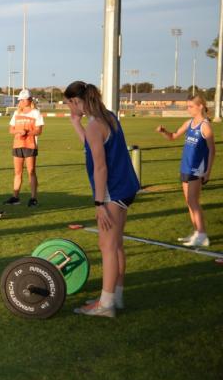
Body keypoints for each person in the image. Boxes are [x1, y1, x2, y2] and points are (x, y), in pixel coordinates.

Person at [64, 81, 140, 318]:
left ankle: (105, 305)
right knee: (115, 244)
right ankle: (115, 296)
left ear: (77, 102)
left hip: (113, 190)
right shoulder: (107, 116)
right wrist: (76, 123)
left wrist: (99, 204)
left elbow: (100, 167)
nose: (69, 108)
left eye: (69, 104)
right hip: (125, 187)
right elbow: (91, 146)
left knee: (107, 246)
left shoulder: (96, 124)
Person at [156, 96, 215, 247]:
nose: (188, 109)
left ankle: (202, 234)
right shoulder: (189, 123)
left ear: (200, 106)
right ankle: (197, 232)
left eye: (190, 106)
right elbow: (173, 136)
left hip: (196, 169)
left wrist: (207, 171)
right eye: (187, 106)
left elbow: (211, 150)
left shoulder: (205, 126)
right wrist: (164, 131)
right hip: (185, 167)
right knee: (189, 202)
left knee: (194, 202)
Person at [6, 89, 43, 206]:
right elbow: (11, 130)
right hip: (17, 144)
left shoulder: (36, 113)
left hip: (30, 145)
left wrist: (27, 132)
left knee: (31, 171)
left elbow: (39, 131)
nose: (21, 101)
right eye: (20, 99)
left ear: (30, 99)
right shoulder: (17, 113)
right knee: (17, 172)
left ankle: (33, 198)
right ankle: (15, 197)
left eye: (23, 99)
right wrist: (18, 131)